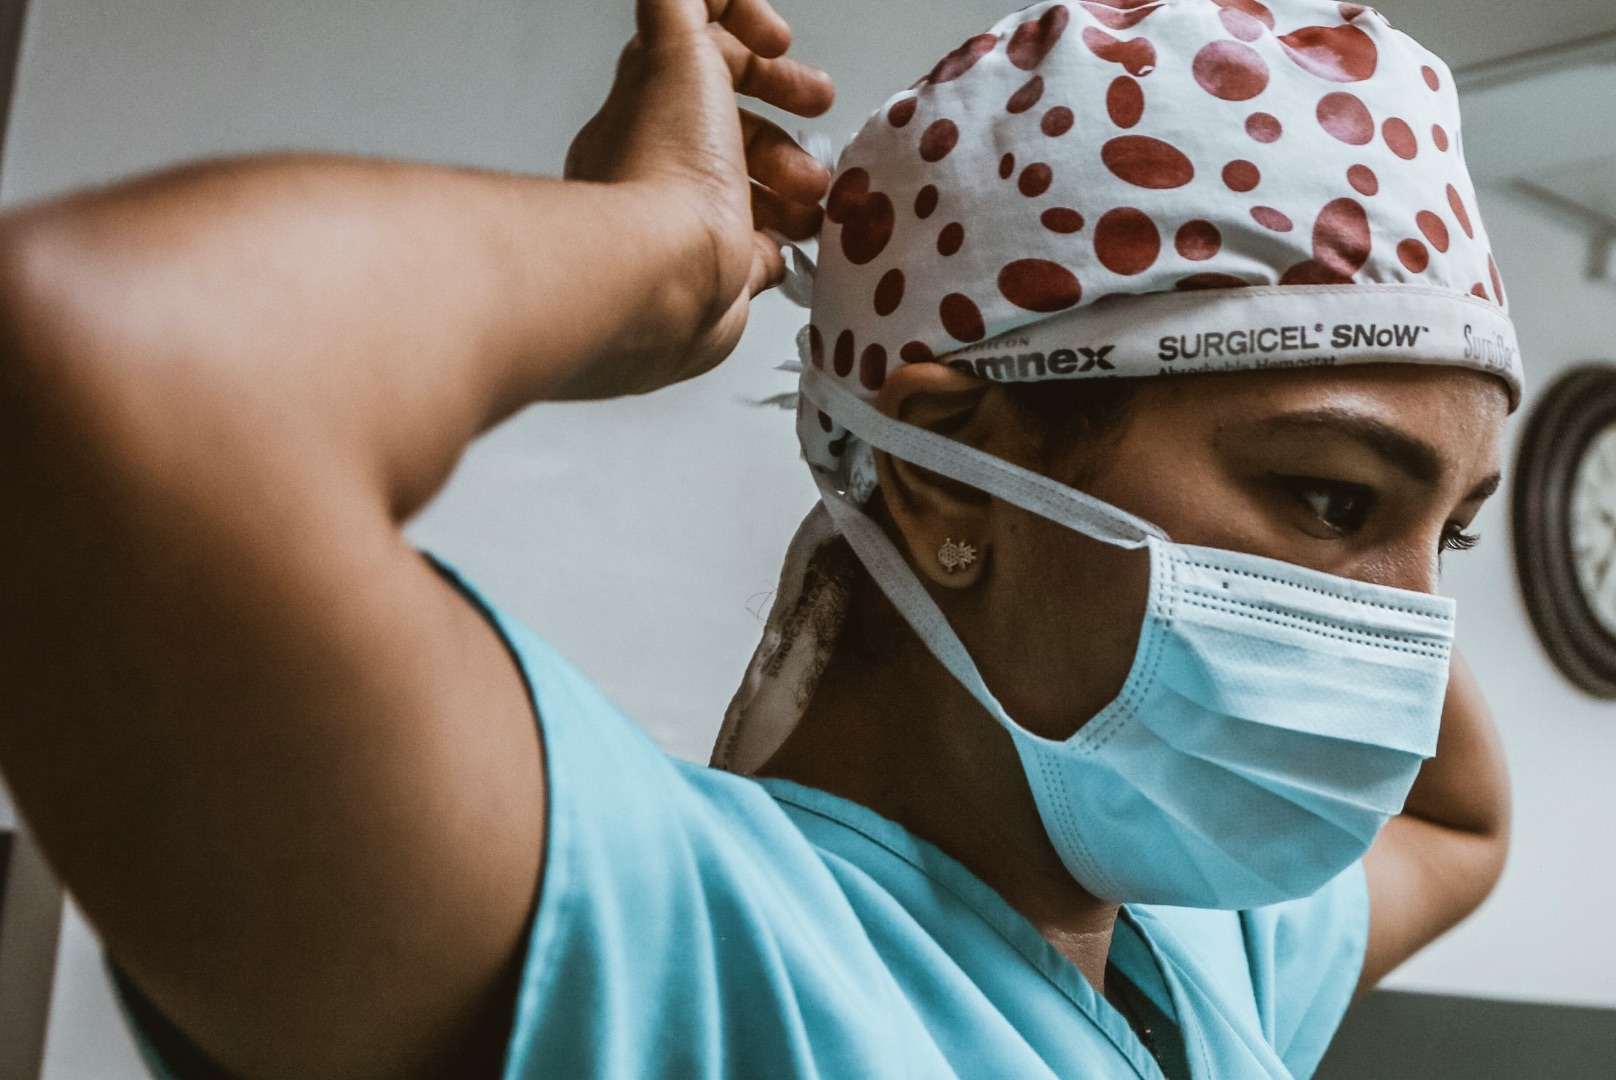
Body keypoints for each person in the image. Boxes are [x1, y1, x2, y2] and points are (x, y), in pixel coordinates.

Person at [0, 0, 1515, 1076]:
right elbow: (114, 377)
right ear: (947, 489)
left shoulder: (1199, 976)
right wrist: (664, 251)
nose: (1406, 629)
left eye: (1448, 536)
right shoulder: (680, 958)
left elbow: (1460, 823)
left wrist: (1394, 464)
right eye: (1330, 498)